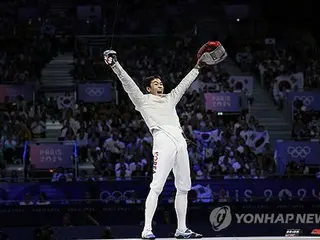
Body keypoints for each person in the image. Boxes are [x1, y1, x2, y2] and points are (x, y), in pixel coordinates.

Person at [104, 41, 227, 239]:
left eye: (160, 82)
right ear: (148, 88)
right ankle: (146, 230)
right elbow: (127, 83)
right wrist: (114, 65)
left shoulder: (170, 98)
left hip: (180, 141)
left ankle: (181, 229)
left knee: (184, 187)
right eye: (155, 83)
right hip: (162, 140)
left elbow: (184, 85)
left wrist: (197, 67)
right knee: (157, 186)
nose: (160, 84)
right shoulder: (142, 100)